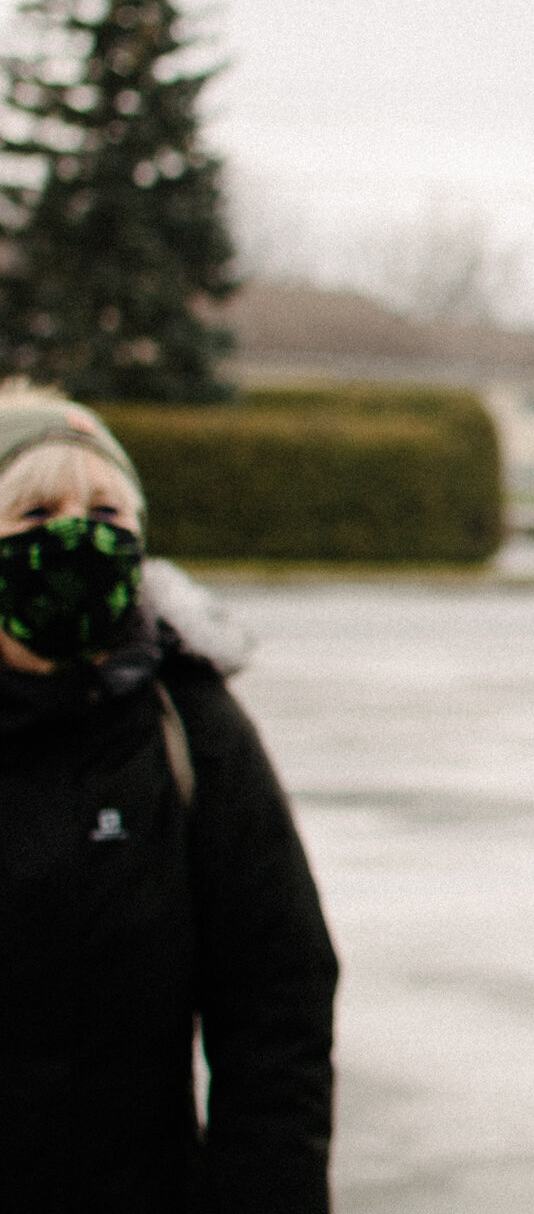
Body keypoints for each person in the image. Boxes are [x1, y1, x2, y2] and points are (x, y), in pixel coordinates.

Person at [0, 384, 339, 1211]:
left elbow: (276, 1005)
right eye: (36, 513)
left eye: (108, 513)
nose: (78, 534)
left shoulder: (190, 727)